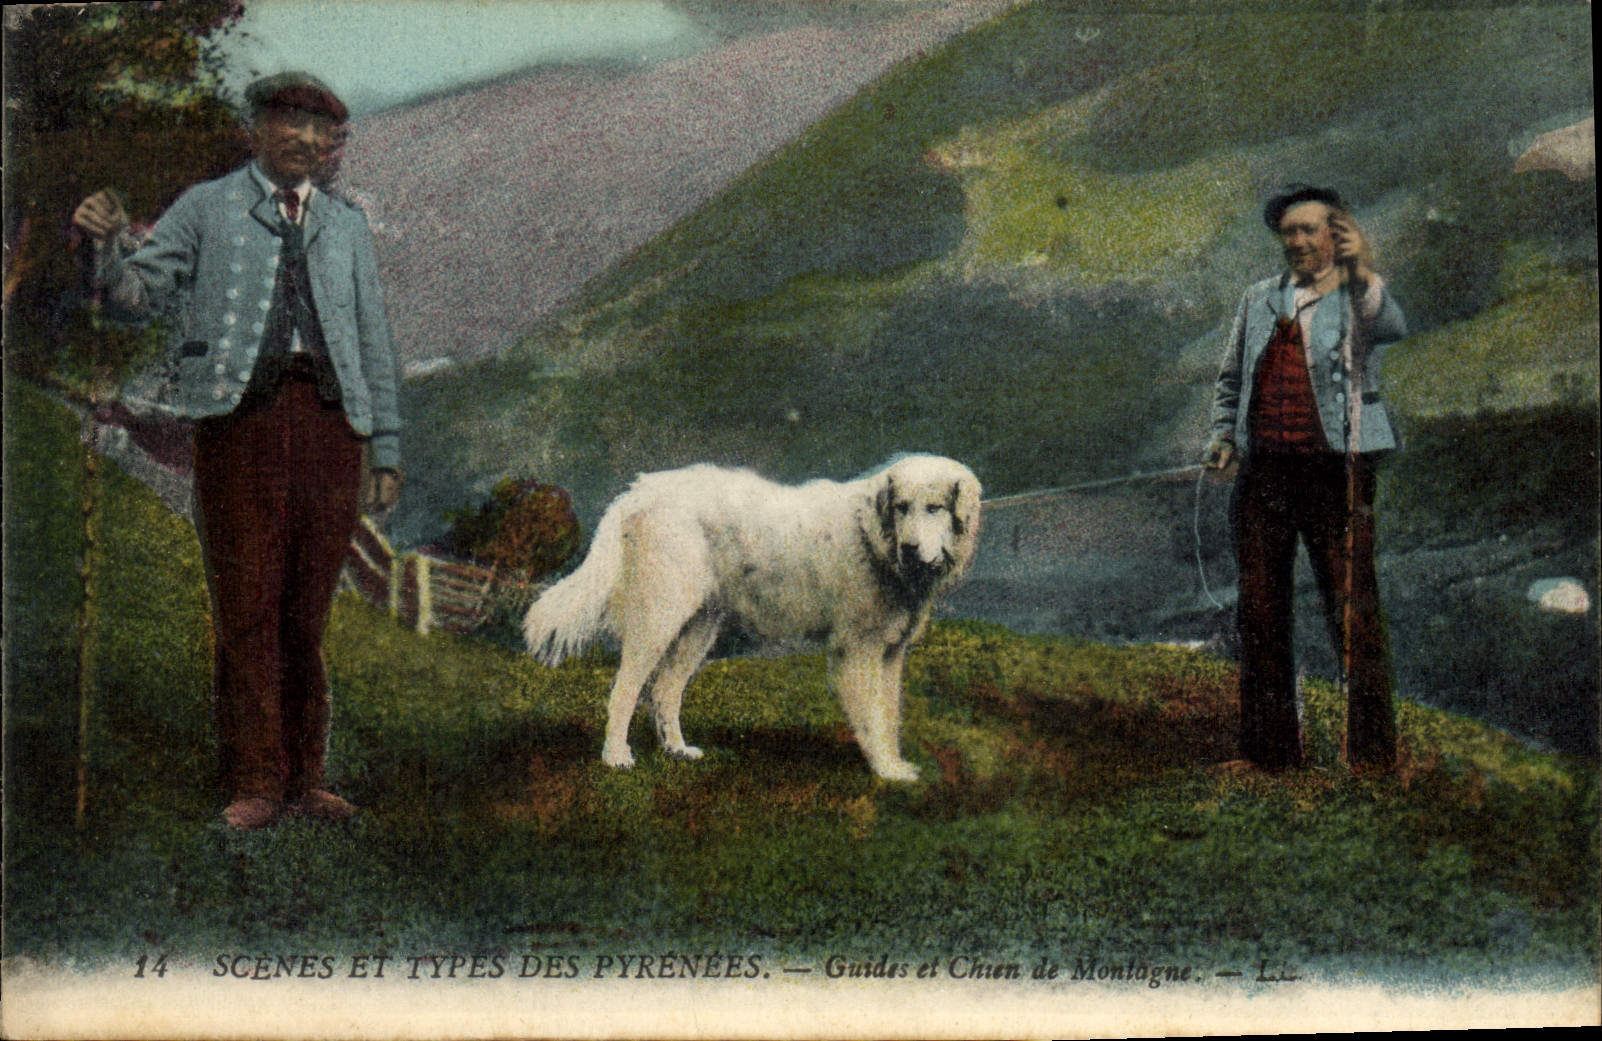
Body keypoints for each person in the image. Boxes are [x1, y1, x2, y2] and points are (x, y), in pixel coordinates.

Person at [72, 72, 403, 829]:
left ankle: (307, 778)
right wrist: (108, 243)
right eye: (290, 124)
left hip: (330, 431)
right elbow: (133, 295)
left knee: (306, 612)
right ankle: (255, 780)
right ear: (256, 128)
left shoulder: (347, 226)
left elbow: (375, 343)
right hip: (235, 428)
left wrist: (383, 447)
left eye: (321, 132)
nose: (306, 142)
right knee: (246, 604)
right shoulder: (205, 207)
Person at [1203, 184, 1407, 773]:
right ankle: (1269, 756)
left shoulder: (1359, 295)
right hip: (1264, 473)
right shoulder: (1259, 299)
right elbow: (1231, 380)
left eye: (1309, 230)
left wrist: (1360, 266)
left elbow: (1391, 325)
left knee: (1352, 612)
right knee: (1261, 612)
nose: (1296, 241)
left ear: (1335, 234)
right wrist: (1223, 437)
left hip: (1336, 474)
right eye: (1288, 232)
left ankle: (1371, 758)